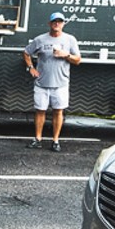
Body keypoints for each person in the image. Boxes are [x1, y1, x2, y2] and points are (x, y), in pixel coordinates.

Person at [24, 11, 81, 151]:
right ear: (49, 24)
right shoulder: (40, 40)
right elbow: (26, 52)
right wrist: (31, 67)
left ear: (63, 24)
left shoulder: (70, 40)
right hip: (42, 83)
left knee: (58, 111)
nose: (57, 24)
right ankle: (38, 139)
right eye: (54, 21)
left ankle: (55, 141)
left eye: (60, 21)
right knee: (40, 111)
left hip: (61, 83)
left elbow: (78, 60)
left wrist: (66, 55)